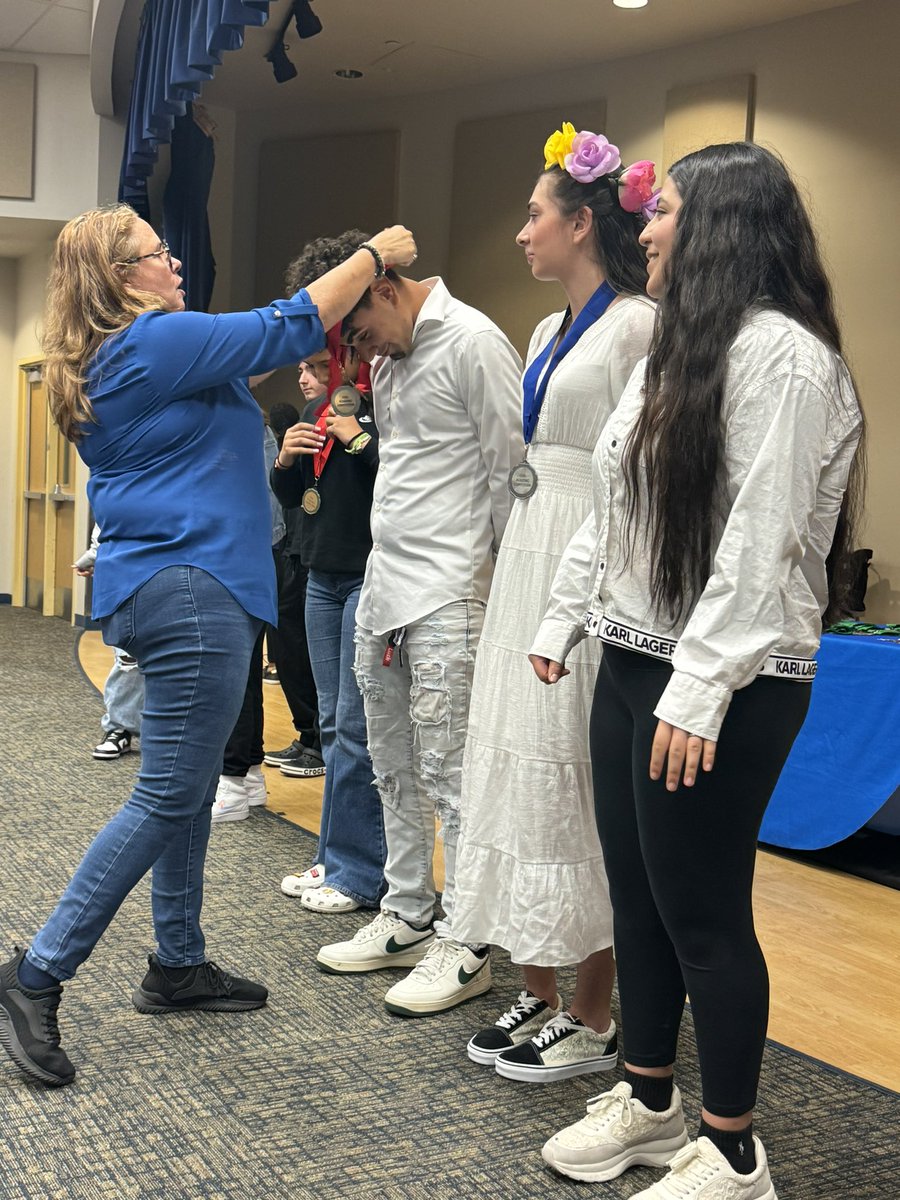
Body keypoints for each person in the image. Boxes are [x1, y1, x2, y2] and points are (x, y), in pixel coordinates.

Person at [0, 204, 416, 1087]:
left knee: (185, 790)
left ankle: (178, 961)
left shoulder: (124, 356)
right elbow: (289, 323)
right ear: (122, 278)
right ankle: (35, 972)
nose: (175, 261)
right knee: (166, 795)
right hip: (193, 588)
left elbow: (260, 358)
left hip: (181, 583)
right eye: (157, 253)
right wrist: (378, 252)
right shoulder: (154, 342)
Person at [531, 142, 864, 1198]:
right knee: (637, 900)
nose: (646, 229)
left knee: (704, 914)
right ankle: (648, 1096)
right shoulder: (678, 345)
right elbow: (616, 504)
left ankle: (731, 1151)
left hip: (729, 682)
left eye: (662, 209)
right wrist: (562, 619)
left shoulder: (788, 359)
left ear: (718, 224)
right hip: (634, 660)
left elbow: (759, 542)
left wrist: (702, 687)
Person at [453, 126, 657, 1080]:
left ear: (581, 222)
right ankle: (539, 995)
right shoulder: (543, 332)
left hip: (586, 549)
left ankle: (595, 1008)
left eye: (535, 215)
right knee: (520, 767)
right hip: (527, 549)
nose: (524, 232)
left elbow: (632, 480)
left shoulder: (637, 327)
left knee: (576, 777)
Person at [315, 244, 524, 1016]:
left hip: (452, 592)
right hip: (386, 586)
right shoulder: (392, 357)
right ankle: (407, 911)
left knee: (452, 772)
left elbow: (513, 472)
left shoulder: (473, 342)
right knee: (391, 765)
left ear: (387, 289)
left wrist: (511, 595)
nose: (360, 357)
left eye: (360, 334)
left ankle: (467, 943)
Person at [274, 231, 386, 915]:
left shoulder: (371, 409)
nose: (311, 377)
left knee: (354, 726)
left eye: (321, 364)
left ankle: (355, 868)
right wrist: (286, 463)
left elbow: (397, 487)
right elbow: (298, 507)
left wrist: (363, 441)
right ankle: (331, 857)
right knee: (332, 727)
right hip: (318, 574)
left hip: (364, 575)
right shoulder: (319, 418)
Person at [75, 526, 145, 759]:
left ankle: (160, 735)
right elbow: (106, 528)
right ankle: (119, 729)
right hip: (123, 583)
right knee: (128, 659)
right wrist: (95, 556)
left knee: (171, 661)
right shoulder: (115, 491)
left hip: (169, 576)